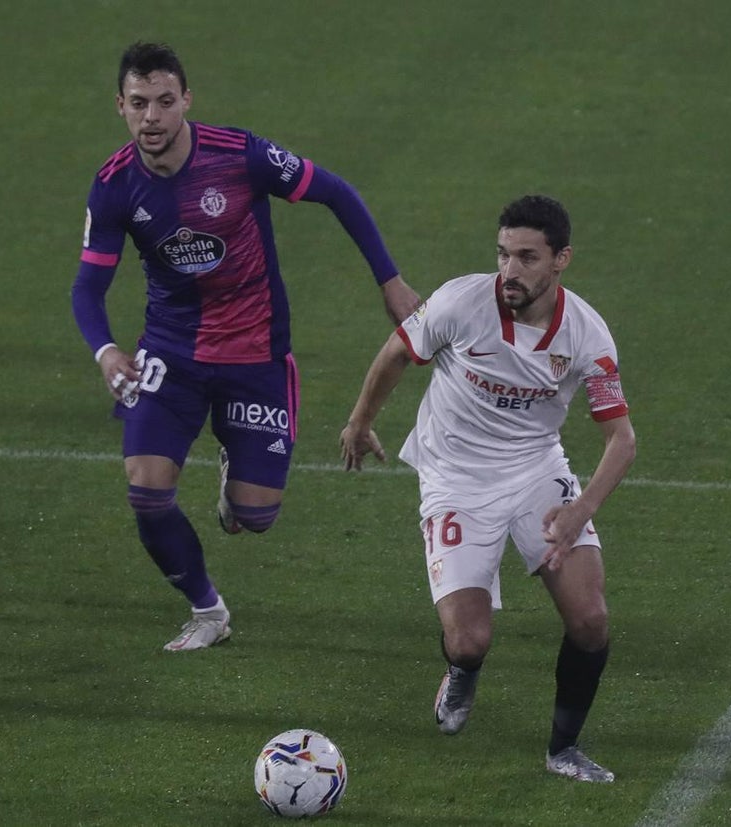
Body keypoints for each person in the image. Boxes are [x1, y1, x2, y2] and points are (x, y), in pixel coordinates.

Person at [70, 42, 419, 652]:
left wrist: (389, 282)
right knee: (146, 491)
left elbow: (337, 193)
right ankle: (208, 611)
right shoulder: (113, 185)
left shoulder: (241, 156)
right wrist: (105, 352)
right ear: (120, 106)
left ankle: (236, 479)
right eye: (138, 103)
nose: (151, 116)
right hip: (170, 356)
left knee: (255, 517)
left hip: (255, 355)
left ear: (186, 101)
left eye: (164, 101)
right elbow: (88, 288)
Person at [339, 195, 636, 782]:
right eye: (503, 255)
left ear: (561, 261)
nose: (510, 271)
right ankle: (462, 672)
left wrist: (581, 509)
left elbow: (621, 440)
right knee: (470, 640)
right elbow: (399, 351)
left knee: (591, 619)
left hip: (535, 471)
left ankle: (563, 749)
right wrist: (360, 421)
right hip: (454, 478)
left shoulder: (587, 335)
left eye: (527, 257)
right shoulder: (460, 301)